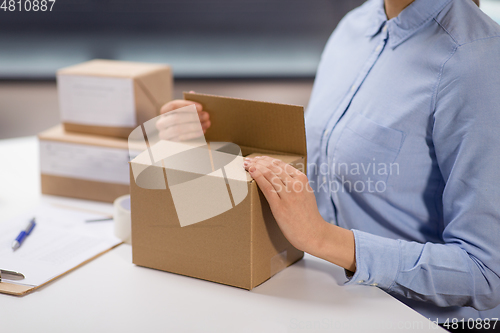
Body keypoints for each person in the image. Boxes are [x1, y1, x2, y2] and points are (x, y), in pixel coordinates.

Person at [159, 0, 500, 328]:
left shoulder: (477, 58)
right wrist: (208, 143)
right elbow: (324, 166)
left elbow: (487, 274)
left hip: (404, 316)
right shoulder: (353, 27)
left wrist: (323, 239)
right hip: (319, 289)